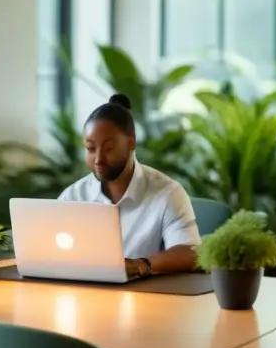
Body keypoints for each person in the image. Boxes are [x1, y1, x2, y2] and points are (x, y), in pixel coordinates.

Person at [59, 92, 200, 278]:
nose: (98, 159)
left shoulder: (167, 193)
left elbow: (191, 252)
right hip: (82, 295)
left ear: (131, 142)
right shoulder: (74, 196)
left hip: (145, 300)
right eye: (91, 149)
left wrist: (139, 265)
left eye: (109, 148)